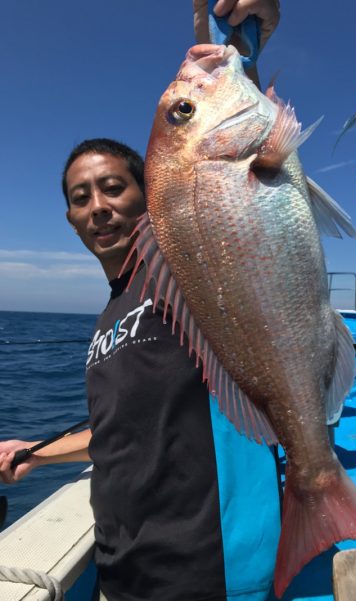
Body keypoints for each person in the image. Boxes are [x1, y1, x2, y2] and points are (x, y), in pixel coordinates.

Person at [0, 2, 282, 600]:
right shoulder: (109, 315)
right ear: (71, 219)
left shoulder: (188, 270)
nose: (97, 206)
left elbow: (231, 159)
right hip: (124, 574)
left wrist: (241, 45)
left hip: (208, 574)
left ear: (149, 190)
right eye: (80, 197)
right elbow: (121, 432)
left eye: (112, 187)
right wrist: (38, 455)